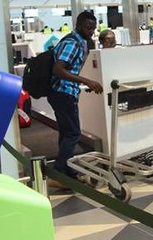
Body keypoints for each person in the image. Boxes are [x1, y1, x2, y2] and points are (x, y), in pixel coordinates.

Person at [47, 11, 104, 189]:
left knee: (66, 133)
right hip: (63, 93)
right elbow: (59, 69)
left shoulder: (76, 41)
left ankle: (68, 172)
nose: (91, 31)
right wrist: (87, 81)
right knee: (73, 133)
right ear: (79, 25)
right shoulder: (73, 43)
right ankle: (58, 173)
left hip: (62, 92)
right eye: (88, 27)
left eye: (93, 28)